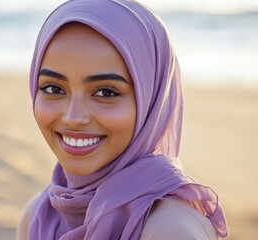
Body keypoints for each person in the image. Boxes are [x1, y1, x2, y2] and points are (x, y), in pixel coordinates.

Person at [17, 0, 228, 239]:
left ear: (151, 100)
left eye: (106, 92)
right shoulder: (38, 215)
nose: (73, 117)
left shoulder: (169, 229)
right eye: (54, 89)